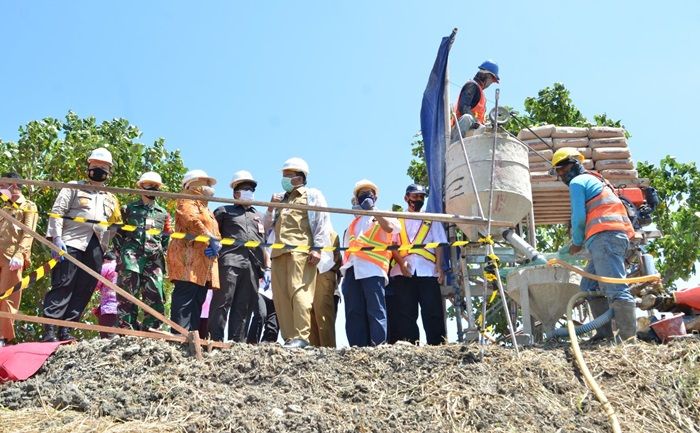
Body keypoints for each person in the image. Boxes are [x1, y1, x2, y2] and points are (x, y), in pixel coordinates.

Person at [552, 147, 637, 342]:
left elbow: (579, 217)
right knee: (589, 285)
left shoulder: (578, 182)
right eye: (559, 172)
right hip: (609, 238)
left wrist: (576, 243)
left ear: (576, 164)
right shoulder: (597, 180)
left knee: (616, 288)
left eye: (564, 169)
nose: (563, 175)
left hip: (605, 238)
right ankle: (604, 334)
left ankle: (628, 339)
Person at [43, 147, 121, 342]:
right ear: (88, 166)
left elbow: (116, 225)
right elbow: (57, 212)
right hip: (71, 241)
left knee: (85, 287)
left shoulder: (111, 197)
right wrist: (56, 239)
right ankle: (50, 329)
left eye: (103, 167)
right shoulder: (73, 187)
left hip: (96, 246)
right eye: (95, 165)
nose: (98, 170)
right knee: (63, 283)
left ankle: (68, 328)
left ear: (109, 171)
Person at [264, 157, 332, 349]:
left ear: (299, 177)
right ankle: (289, 338)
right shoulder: (280, 199)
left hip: (301, 252)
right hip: (278, 253)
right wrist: (270, 208)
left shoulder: (312, 195)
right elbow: (266, 227)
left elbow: (321, 221)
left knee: (300, 292)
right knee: (281, 297)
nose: (284, 179)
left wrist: (317, 248)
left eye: (288, 175)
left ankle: (302, 336)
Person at [208, 170, 266, 342]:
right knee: (222, 301)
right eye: (244, 188)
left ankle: (237, 341)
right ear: (235, 192)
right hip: (229, 261)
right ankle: (216, 339)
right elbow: (210, 232)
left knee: (244, 305)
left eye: (251, 189)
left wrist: (265, 267)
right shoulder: (224, 210)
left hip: (253, 266)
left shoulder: (259, 216)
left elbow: (265, 241)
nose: (249, 191)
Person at [386, 184, 447, 345]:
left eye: (421, 197)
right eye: (415, 196)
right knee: (405, 312)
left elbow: (439, 243)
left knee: (432, 311)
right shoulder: (397, 219)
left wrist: (439, 267)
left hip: (427, 271)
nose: (418, 200)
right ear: (406, 198)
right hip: (402, 272)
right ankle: (409, 345)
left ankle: (437, 345)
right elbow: (392, 244)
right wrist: (401, 263)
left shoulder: (431, 219)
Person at [341, 179, 399, 347]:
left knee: (376, 309)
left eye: (369, 194)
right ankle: (357, 347)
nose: (366, 197)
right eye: (362, 194)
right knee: (353, 311)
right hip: (352, 269)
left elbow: (389, 228)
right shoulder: (353, 223)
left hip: (373, 269)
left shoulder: (383, 215)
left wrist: (374, 211)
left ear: (375, 198)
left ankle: (378, 345)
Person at [113, 171, 171, 331]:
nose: (152, 188)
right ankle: (126, 328)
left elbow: (166, 237)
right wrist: (120, 255)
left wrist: (160, 251)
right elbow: (118, 234)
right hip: (131, 256)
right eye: (149, 185)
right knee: (128, 293)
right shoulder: (129, 209)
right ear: (141, 186)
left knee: (155, 294)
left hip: (154, 259)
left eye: (156, 186)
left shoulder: (163, 214)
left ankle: (152, 328)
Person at [166, 169, 221, 332]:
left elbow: (215, 232)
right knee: (185, 299)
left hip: (203, 265)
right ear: (193, 184)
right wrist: (209, 237)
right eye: (205, 183)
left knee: (197, 301)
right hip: (187, 262)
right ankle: (179, 335)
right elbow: (190, 220)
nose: (209, 187)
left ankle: (191, 338)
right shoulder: (186, 200)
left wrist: (218, 243)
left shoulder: (206, 209)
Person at [0, 173, 38, 347]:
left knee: (6, 297)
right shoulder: (4, 206)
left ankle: (3, 337)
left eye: (3, 185)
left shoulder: (28, 206)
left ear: (14, 185)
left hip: (11, 257)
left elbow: (29, 232)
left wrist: (20, 254)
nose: (1, 189)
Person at [309, 230, 342, 348]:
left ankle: (328, 354)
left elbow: (337, 261)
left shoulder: (331, 234)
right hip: (313, 277)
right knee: (310, 319)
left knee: (323, 319)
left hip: (325, 276)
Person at [452, 60, 500, 138]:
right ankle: (457, 145)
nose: (490, 84)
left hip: (473, 129)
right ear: (487, 76)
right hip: (460, 127)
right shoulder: (472, 86)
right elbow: (463, 107)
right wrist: (477, 122)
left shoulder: (479, 91)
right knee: (467, 118)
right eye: (492, 80)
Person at [93, 250, 118, 339]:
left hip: (109, 308)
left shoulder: (106, 266)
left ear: (105, 259)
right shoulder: (122, 267)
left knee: (108, 340)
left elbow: (95, 284)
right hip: (123, 309)